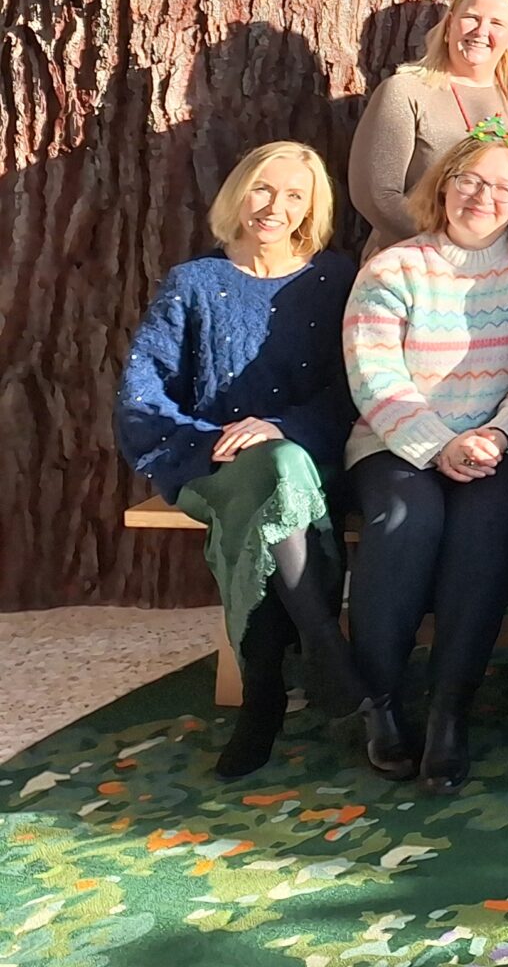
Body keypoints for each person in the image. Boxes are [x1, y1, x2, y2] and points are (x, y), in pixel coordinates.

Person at [114, 142, 382, 779]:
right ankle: (324, 656)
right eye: (264, 189)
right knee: (270, 476)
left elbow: (355, 386)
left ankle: (268, 691)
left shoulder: (335, 279)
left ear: (311, 209)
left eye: (295, 196)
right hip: (210, 463)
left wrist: (281, 427)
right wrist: (213, 440)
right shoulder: (194, 284)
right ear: (240, 192)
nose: (275, 207)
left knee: (283, 469)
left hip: (308, 458)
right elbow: (141, 397)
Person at [342, 122, 508, 790]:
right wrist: (438, 444)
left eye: (503, 186)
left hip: (499, 444)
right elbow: (374, 373)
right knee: (405, 526)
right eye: (470, 180)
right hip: (394, 441)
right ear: (442, 187)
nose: (483, 195)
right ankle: (378, 701)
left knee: (483, 533)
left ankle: (449, 712)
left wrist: (496, 437)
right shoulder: (391, 267)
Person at [348, 0, 508, 256]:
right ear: (450, 24)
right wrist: (454, 251)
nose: (481, 31)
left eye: (497, 24)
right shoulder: (406, 92)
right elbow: (377, 195)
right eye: (472, 18)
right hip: (419, 265)